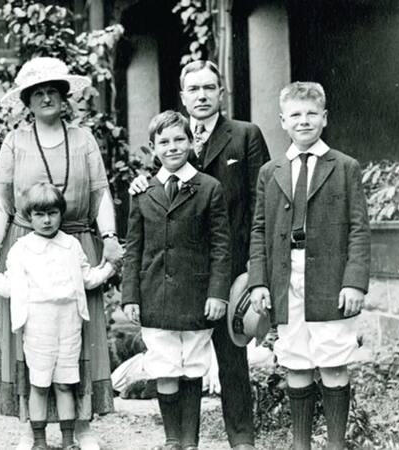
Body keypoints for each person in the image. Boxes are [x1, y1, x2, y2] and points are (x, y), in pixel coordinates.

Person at [0, 56, 124, 450]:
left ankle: (82, 426)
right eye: (37, 92)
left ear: (63, 95)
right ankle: (31, 428)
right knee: (30, 339)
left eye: (52, 90)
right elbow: (1, 202)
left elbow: (100, 192)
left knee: (80, 339)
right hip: (25, 249)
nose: (46, 97)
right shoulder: (15, 140)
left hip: (75, 244)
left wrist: (108, 236)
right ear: (27, 100)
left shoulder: (84, 138)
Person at [128, 60, 269, 449]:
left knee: (232, 360)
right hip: (181, 271)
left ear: (221, 92)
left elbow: (261, 205)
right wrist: (141, 181)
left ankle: (241, 440)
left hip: (232, 268)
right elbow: (160, 187)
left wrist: (257, 268)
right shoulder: (172, 137)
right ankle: (184, 441)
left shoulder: (245, 135)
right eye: (194, 89)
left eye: (209, 87)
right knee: (181, 360)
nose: (202, 95)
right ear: (183, 95)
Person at [248, 82, 370, 450]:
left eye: (312, 114)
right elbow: (259, 229)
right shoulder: (271, 171)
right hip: (286, 276)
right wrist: (259, 282)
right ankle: (300, 444)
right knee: (296, 359)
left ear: (324, 118)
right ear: (283, 121)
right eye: (296, 115)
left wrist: (354, 283)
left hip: (330, 278)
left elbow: (359, 229)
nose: (304, 121)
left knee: (333, 359)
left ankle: (335, 444)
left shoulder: (345, 167)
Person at [0, 182, 116, 450]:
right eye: (39, 214)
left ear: (61, 214)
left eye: (52, 213)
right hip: (38, 323)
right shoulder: (21, 249)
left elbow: (87, 279)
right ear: (29, 217)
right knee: (38, 384)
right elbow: (7, 287)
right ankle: (38, 441)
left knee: (65, 383)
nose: (47, 220)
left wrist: (110, 267)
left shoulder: (71, 245)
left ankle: (67, 440)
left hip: (69, 322)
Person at [122, 111, 231, 450]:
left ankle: (190, 441)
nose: (172, 147)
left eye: (179, 139)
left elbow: (221, 247)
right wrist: (131, 297)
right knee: (165, 366)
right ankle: (172, 440)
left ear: (192, 142)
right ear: (153, 148)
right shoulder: (143, 191)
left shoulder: (209, 188)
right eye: (164, 142)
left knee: (192, 366)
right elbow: (133, 248)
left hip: (196, 294)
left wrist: (217, 293)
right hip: (155, 293)